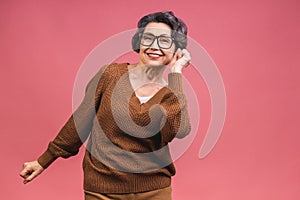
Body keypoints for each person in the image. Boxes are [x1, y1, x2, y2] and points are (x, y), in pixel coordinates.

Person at [20, 11, 192, 200]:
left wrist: (176, 72)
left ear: (178, 50)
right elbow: (79, 123)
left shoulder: (171, 94)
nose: (154, 46)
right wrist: (43, 161)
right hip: (102, 189)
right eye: (148, 38)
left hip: (154, 189)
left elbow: (181, 129)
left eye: (164, 41)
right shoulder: (110, 75)